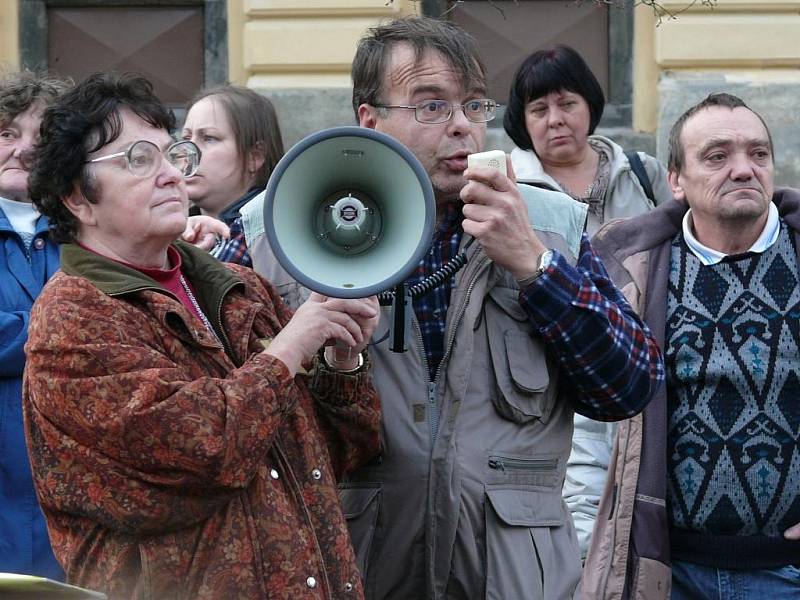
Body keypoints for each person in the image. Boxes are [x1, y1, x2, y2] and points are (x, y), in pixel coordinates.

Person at [241, 17, 664, 599]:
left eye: (474, 106)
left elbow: (630, 384)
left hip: (510, 571)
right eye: (431, 107)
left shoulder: (548, 223)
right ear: (371, 120)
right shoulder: (282, 225)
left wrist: (537, 266)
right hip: (354, 563)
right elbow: (228, 408)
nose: (463, 127)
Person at [23, 72, 381, 600]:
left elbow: (341, 451)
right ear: (77, 197)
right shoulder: (72, 320)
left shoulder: (240, 287)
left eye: (174, 155)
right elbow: (209, 448)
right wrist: (292, 345)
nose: (171, 175)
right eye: (139, 160)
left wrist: (340, 356)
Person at [582, 92, 800, 599]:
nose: (744, 170)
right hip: (667, 572)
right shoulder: (633, 270)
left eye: (758, 154)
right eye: (718, 156)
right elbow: (592, 427)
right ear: (675, 180)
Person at [503, 45, 675, 558]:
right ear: (523, 120)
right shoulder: (507, 187)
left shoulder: (641, 173)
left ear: (591, 106)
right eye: (539, 110)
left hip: (638, 362)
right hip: (553, 373)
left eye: (567, 103)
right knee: (575, 515)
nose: (556, 121)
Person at [0, 70, 68, 580]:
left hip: (70, 482)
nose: (23, 150)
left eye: (39, 139)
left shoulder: (86, 228)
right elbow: (92, 328)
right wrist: (67, 332)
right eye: (7, 134)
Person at [183, 84, 284, 266]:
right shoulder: (176, 226)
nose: (189, 151)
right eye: (185, 138)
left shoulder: (267, 233)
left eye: (209, 138)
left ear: (255, 156)